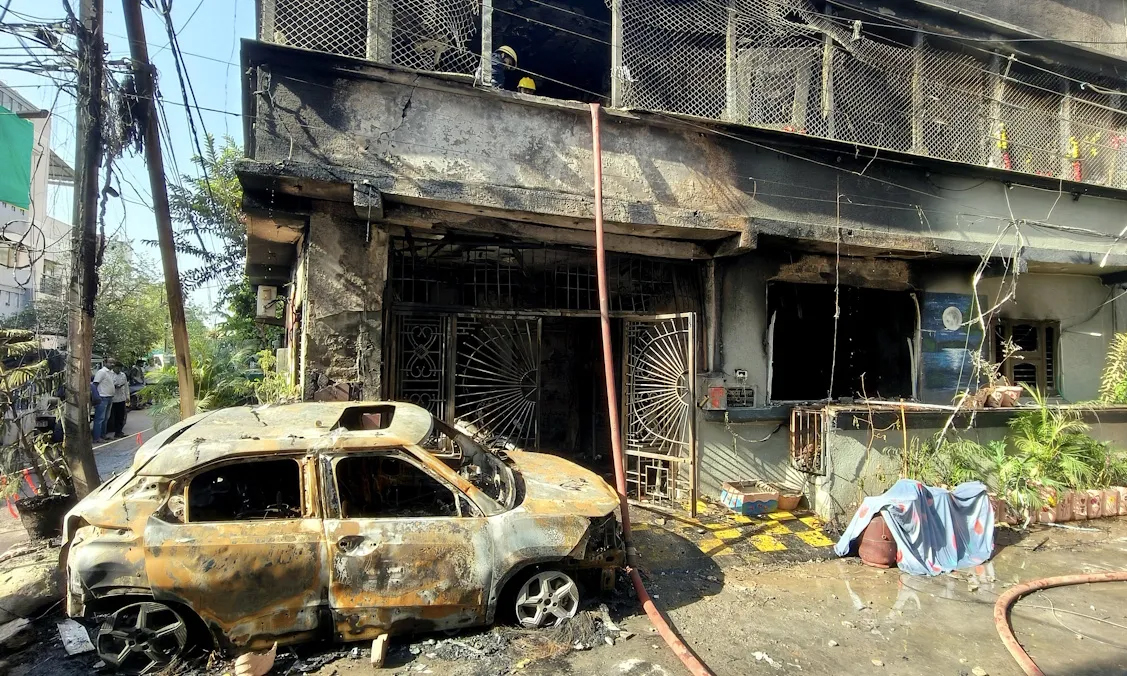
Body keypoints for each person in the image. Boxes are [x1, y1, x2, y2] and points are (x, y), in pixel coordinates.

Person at [92, 359, 115, 443]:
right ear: (105, 363)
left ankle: (103, 435)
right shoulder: (101, 372)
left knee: (106, 418)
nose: (112, 364)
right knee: (100, 418)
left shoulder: (110, 373)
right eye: (110, 362)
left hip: (109, 397)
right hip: (102, 397)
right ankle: (96, 437)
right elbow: (95, 385)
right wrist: (96, 397)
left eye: (113, 363)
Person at [109, 362, 129, 439]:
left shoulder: (123, 375)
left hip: (121, 398)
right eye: (117, 368)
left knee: (121, 416)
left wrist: (127, 396)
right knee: (113, 416)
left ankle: (119, 432)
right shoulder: (110, 374)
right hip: (113, 398)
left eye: (120, 368)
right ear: (114, 367)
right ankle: (114, 431)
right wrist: (115, 386)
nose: (119, 369)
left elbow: (126, 386)